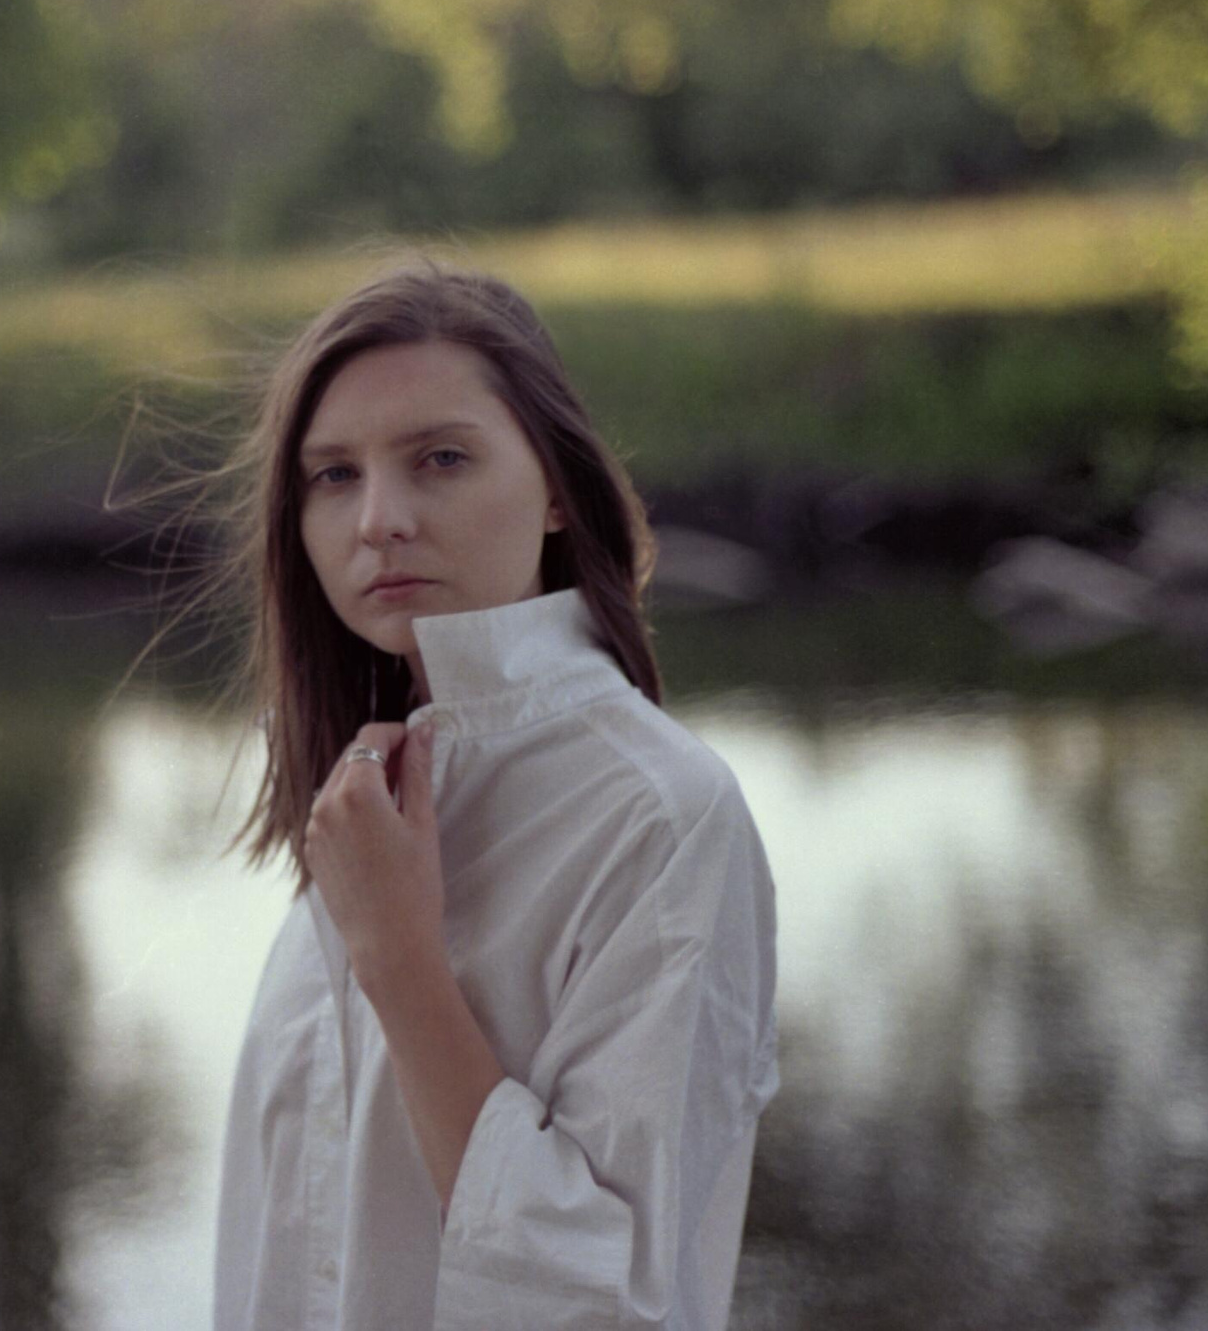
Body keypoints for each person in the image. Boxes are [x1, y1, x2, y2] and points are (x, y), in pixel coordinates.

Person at [200, 258, 780, 1328]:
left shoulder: (658, 814)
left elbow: (608, 1298)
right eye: (333, 475)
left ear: (558, 485)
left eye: (440, 458)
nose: (379, 518)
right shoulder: (361, 796)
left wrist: (400, 963)